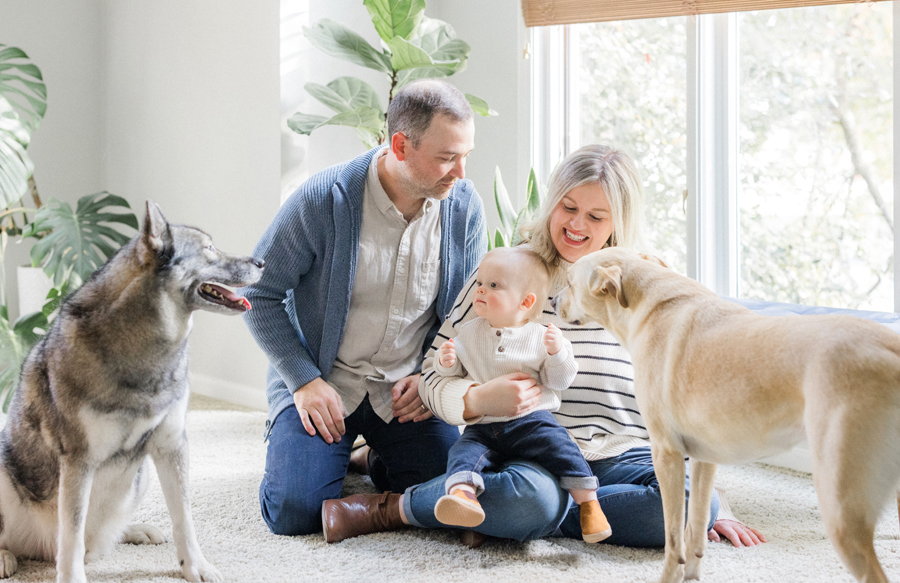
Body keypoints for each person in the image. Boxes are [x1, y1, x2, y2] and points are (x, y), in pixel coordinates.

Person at [320, 144, 768, 549]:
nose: (576, 225)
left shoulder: (648, 285)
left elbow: (685, 397)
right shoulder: (508, 272)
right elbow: (437, 372)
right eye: (568, 207)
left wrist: (715, 506)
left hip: (628, 451)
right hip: (531, 450)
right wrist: (474, 399)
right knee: (530, 497)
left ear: (620, 223)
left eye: (596, 217)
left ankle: (532, 516)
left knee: (694, 506)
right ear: (552, 203)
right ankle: (393, 508)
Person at [242, 78, 487, 536]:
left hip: (404, 391)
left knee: (445, 496)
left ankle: (369, 458)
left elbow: (468, 310)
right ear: (400, 145)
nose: (461, 173)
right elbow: (258, 293)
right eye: (447, 157)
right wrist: (303, 380)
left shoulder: (463, 207)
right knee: (295, 511)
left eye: (466, 155)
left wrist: (433, 375)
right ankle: (299, 453)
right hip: (325, 383)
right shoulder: (323, 199)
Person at [432, 247, 610, 543]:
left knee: (563, 449)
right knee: (462, 453)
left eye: (493, 286)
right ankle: (463, 499)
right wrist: (446, 361)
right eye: (479, 284)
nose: (480, 291)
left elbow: (561, 380)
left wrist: (557, 353)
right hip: (483, 427)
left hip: (531, 421)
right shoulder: (468, 332)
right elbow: (451, 374)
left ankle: (589, 505)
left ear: (525, 302)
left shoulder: (541, 336)